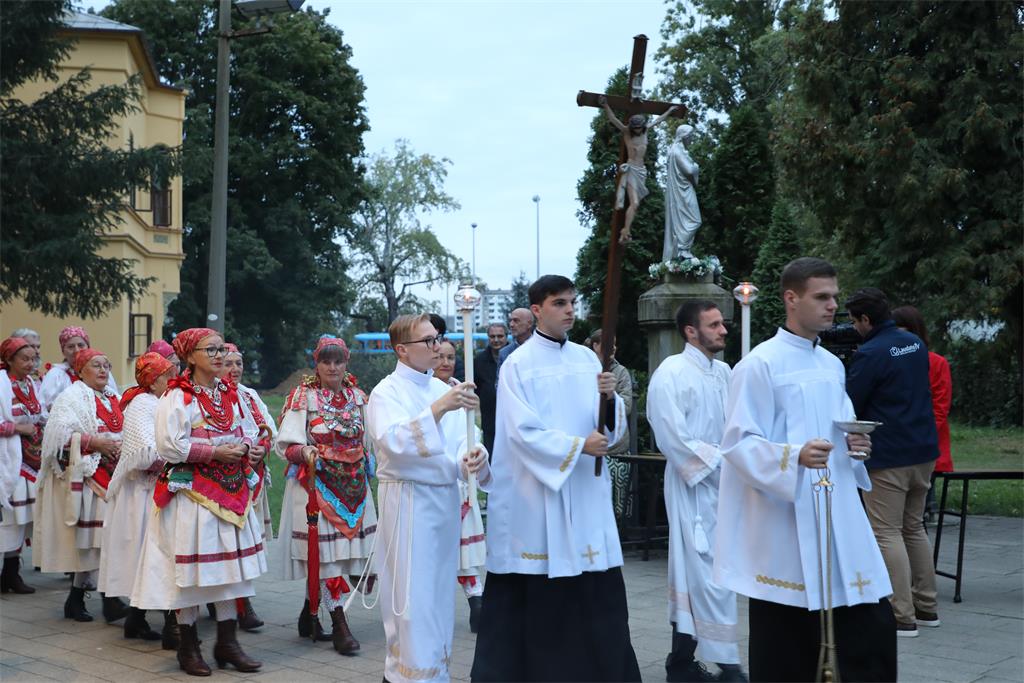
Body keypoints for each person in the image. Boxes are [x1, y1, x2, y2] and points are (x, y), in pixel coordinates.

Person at [715, 258, 895, 682]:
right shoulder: (759, 365)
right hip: (787, 521)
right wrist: (793, 456)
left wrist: (856, 446)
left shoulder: (831, 365)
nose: (833, 306)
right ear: (791, 299)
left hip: (838, 513)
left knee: (869, 625)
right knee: (788, 639)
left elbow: (843, 426)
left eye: (834, 297)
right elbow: (738, 443)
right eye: (822, 297)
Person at [471, 275, 640, 683]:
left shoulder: (588, 360)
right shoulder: (519, 365)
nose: (569, 310)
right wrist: (578, 446)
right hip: (538, 500)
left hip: (585, 499)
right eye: (559, 303)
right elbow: (521, 434)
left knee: (597, 600)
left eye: (572, 302)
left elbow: (609, 428)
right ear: (537, 310)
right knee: (543, 607)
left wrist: (610, 400)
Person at [130, 328, 266, 676]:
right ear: (190, 356)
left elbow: (250, 429)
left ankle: (227, 642)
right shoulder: (177, 396)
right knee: (190, 574)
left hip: (232, 493)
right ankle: (188, 647)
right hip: (192, 495)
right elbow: (169, 446)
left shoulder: (230, 393)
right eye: (211, 350)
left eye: (222, 349)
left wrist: (247, 447)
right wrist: (215, 452)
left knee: (228, 572)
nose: (220, 356)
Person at [366, 314, 491, 683]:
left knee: (437, 597)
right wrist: (439, 408)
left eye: (437, 338)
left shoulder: (442, 390)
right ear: (402, 350)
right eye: (428, 341)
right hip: (408, 501)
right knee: (411, 598)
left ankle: (434, 673)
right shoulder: (386, 392)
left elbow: (462, 441)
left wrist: (473, 457)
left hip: (443, 502)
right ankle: (406, 674)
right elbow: (393, 441)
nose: (437, 347)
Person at [647, 302, 746, 682]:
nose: (724, 330)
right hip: (693, 485)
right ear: (691, 331)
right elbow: (671, 435)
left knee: (706, 574)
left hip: (726, 486)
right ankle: (729, 665)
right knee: (704, 573)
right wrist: (723, 463)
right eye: (714, 324)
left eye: (723, 323)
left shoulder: (725, 372)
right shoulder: (670, 373)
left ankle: (681, 662)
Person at [845, 288, 940, 638]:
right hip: (923, 449)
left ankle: (901, 614)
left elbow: (851, 402)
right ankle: (927, 605)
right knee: (914, 527)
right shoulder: (914, 343)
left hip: (889, 453)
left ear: (865, 319)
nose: (853, 328)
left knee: (886, 531)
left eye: (854, 321)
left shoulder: (870, 353)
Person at [276, 335, 376, 656]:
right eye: (325, 361)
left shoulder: (358, 397)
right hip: (316, 487)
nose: (332, 367)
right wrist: (304, 451)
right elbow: (285, 444)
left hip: (354, 488)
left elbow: (372, 440)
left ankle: (308, 616)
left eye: (338, 361)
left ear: (347, 363)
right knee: (327, 557)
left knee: (337, 555)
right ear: (316, 364)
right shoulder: (303, 397)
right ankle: (339, 623)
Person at [37, 348, 128, 624]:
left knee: (102, 541)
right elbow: (56, 438)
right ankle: (103, 600)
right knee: (95, 543)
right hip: (90, 477)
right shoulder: (71, 397)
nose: (103, 370)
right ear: (80, 370)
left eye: (106, 365)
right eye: (96, 365)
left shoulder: (114, 397)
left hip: (114, 475)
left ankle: (84, 600)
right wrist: (93, 442)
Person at [98, 352, 176, 643]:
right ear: (153, 381)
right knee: (147, 554)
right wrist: (180, 456)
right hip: (142, 494)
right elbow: (144, 454)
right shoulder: (142, 404)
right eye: (167, 376)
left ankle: (138, 619)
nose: (173, 380)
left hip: (158, 490)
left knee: (157, 555)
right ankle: (166, 624)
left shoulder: (161, 401)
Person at [435, 339, 487, 633]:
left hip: (461, 480)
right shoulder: (426, 393)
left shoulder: (463, 390)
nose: (445, 362)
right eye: (440, 356)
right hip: (435, 480)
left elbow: (471, 430)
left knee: (465, 547)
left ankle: (477, 602)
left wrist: (472, 451)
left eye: (451, 357)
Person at [222, 342, 272, 632]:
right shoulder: (214, 395)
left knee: (244, 545)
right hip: (225, 481)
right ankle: (238, 605)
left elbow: (268, 430)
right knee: (230, 544)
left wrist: (262, 448)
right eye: (228, 363)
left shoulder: (250, 395)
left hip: (252, 478)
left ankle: (240, 602)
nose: (235, 369)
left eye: (238, 363)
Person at [891, 305, 953, 518]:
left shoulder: (936, 362)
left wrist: (919, 433)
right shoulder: (888, 359)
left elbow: (940, 406)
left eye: (901, 331)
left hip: (925, 438)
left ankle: (928, 505)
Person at [0, 336, 45, 594]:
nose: (30, 364)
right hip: (8, 459)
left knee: (20, 519)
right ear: (9, 359)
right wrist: (19, 428)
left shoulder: (31, 384)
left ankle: (10, 573)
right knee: (7, 518)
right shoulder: (1, 384)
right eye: (24, 359)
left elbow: (40, 413)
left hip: (29, 459)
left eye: (33, 359)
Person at [599, 95, 677, 243]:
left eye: (639, 127)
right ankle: (625, 231)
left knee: (636, 204)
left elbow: (658, 120)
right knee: (634, 203)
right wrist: (605, 105)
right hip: (631, 170)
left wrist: (669, 111)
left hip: (641, 171)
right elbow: (614, 120)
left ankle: (626, 231)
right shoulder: (626, 132)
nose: (637, 130)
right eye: (635, 128)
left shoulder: (645, 131)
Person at [585, 329, 633, 519]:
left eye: (614, 344)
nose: (613, 348)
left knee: (618, 508)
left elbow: (626, 406)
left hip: (616, 450)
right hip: (589, 449)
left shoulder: (620, 372)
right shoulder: (584, 369)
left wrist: (611, 398)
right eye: (607, 344)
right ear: (595, 345)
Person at [40, 326, 119, 409]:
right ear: (63, 351)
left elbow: (115, 401)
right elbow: (43, 407)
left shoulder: (102, 371)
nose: (77, 350)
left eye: (81, 345)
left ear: (88, 348)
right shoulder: (56, 374)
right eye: (71, 347)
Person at [663, 125, 702, 261]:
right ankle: (681, 248)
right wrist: (696, 167)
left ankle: (683, 250)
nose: (691, 139)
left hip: (683, 189)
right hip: (683, 191)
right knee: (695, 220)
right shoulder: (677, 151)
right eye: (690, 136)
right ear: (684, 136)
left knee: (686, 221)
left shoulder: (676, 150)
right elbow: (689, 171)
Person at [474, 323, 507, 456]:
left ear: (506, 337)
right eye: (492, 336)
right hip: (489, 419)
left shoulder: (515, 356)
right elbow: (476, 386)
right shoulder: (479, 360)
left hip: (511, 417)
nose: (496, 340)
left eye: (500, 336)